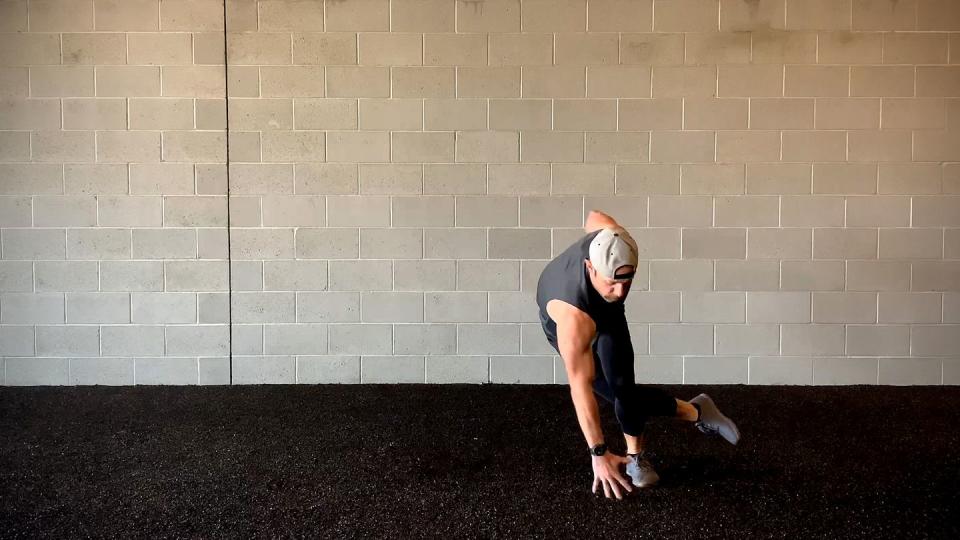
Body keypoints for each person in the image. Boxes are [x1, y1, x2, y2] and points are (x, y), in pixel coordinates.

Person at [535, 209, 741, 500]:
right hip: (573, 316)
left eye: (627, 282)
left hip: (604, 311)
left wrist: (611, 289)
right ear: (590, 267)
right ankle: (695, 412)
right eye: (613, 283)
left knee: (624, 388)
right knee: (600, 386)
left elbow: (593, 216)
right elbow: (580, 390)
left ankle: (636, 457)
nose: (621, 292)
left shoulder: (616, 239)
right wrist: (599, 454)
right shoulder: (573, 320)